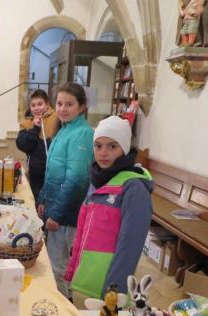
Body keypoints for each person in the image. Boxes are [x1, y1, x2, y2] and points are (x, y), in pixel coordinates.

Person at [64, 116, 154, 303]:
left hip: (107, 292)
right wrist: (73, 272)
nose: (103, 152)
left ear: (125, 148)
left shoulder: (134, 188)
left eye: (112, 146)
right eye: (98, 146)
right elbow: (83, 234)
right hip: (85, 283)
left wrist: (114, 292)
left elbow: (130, 246)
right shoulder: (99, 180)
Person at [36, 82, 95, 300]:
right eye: (59, 103)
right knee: (56, 263)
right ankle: (62, 302)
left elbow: (76, 180)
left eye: (69, 104)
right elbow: (51, 171)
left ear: (81, 107)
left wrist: (57, 214)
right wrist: (43, 198)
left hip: (67, 214)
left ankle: (64, 307)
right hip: (55, 207)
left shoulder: (82, 133)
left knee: (59, 266)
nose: (62, 108)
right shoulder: (63, 129)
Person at [15, 89, 59, 200]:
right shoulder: (26, 122)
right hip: (36, 173)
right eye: (33, 105)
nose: (36, 108)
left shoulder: (56, 118)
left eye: (40, 104)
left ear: (47, 104)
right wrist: (35, 129)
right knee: (37, 201)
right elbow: (23, 145)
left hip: (54, 172)